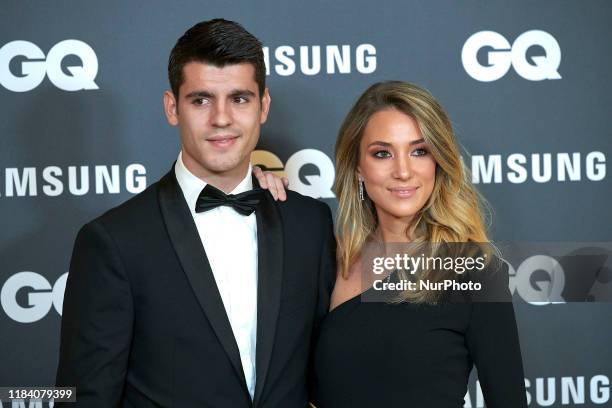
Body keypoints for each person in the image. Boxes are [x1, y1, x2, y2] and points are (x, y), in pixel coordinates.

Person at [55, 19, 335, 407]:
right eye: (201, 99)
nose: (221, 118)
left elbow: (335, 371)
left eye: (239, 98)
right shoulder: (114, 241)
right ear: (173, 108)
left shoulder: (309, 224)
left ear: (263, 106)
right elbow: (82, 397)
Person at [259, 81, 527, 407]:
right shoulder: (329, 258)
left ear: (438, 161)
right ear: (357, 167)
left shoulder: (474, 271)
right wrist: (251, 190)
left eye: (419, 151)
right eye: (382, 153)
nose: (403, 171)